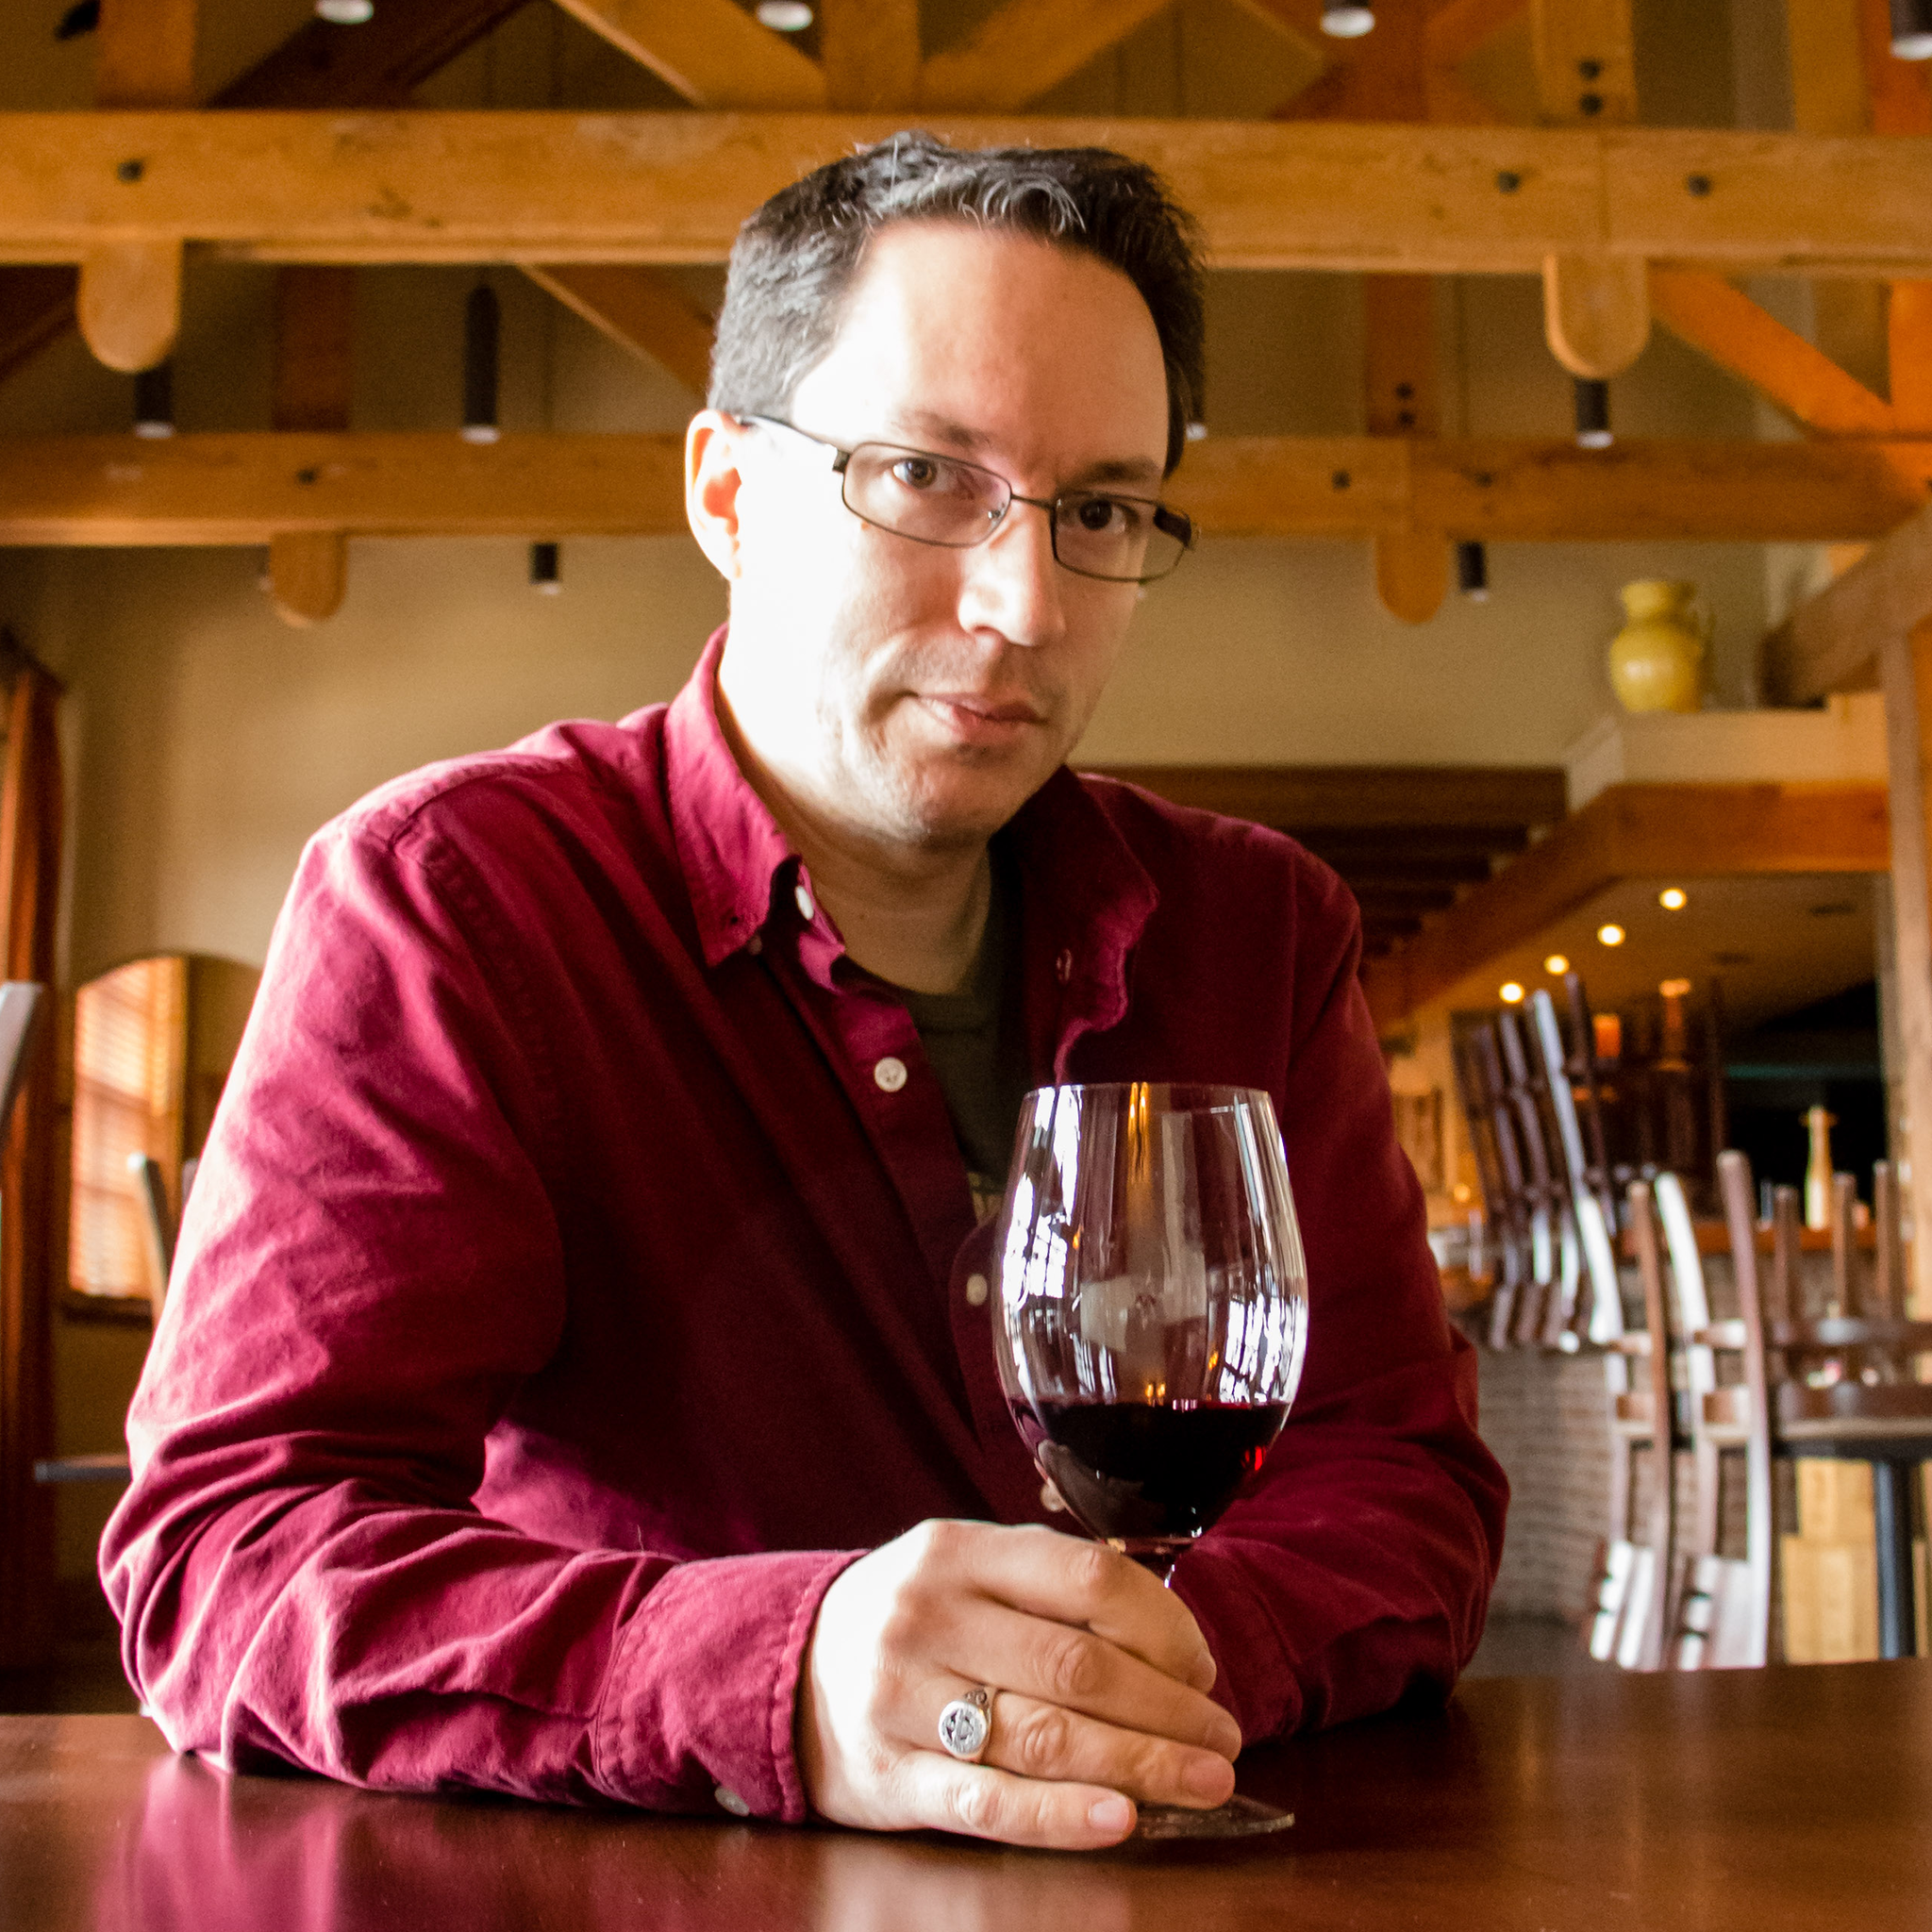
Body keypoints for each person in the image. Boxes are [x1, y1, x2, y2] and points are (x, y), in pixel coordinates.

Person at [102, 134, 1507, 1853]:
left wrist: (1145, 1672)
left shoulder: (1257, 931)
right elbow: (230, 1557)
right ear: (726, 492)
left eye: (1104, 510)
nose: (1024, 604)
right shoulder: (457, 907)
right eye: (926, 475)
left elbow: (1404, 1483)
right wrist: (786, 1673)